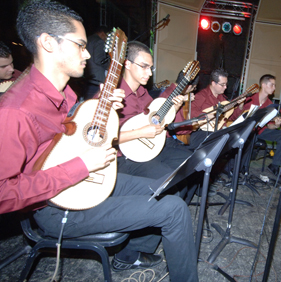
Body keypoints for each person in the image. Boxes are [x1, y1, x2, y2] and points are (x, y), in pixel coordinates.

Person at [0, 1, 198, 281]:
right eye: (80, 45)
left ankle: (129, 255)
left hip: (88, 179)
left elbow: (69, 138)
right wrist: (80, 167)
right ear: (47, 43)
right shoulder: (15, 110)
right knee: (174, 210)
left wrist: (100, 107)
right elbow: (3, 193)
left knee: (165, 186)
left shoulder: (65, 92)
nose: (87, 54)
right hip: (58, 206)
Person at [111, 41, 192, 179]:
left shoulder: (143, 93)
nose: (149, 73)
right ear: (127, 64)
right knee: (169, 178)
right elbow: (104, 138)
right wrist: (140, 132)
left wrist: (175, 108)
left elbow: (156, 120)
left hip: (152, 146)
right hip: (125, 157)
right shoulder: (112, 95)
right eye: (144, 67)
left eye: (151, 68)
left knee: (191, 164)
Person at [231, 74, 281, 175]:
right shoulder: (250, 98)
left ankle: (275, 165)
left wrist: (276, 125)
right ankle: (238, 167)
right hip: (246, 129)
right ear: (263, 85)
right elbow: (236, 117)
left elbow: (269, 125)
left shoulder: (270, 105)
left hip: (260, 130)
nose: (274, 88)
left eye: (274, 85)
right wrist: (241, 106)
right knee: (250, 136)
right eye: (272, 85)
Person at [187, 68, 240, 150]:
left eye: (226, 84)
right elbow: (190, 112)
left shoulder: (222, 98)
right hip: (202, 132)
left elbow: (231, 117)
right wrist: (206, 115)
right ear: (213, 83)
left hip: (219, 130)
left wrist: (240, 104)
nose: (225, 87)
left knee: (239, 140)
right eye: (222, 84)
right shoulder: (201, 96)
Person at [83, 26, 110, 100]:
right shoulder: (99, 41)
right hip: (97, 79)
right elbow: (99, 59)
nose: (106, 38)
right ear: (102, 33)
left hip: (88, 77)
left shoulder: (88, 39)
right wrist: (110, 64)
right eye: (106, 35)